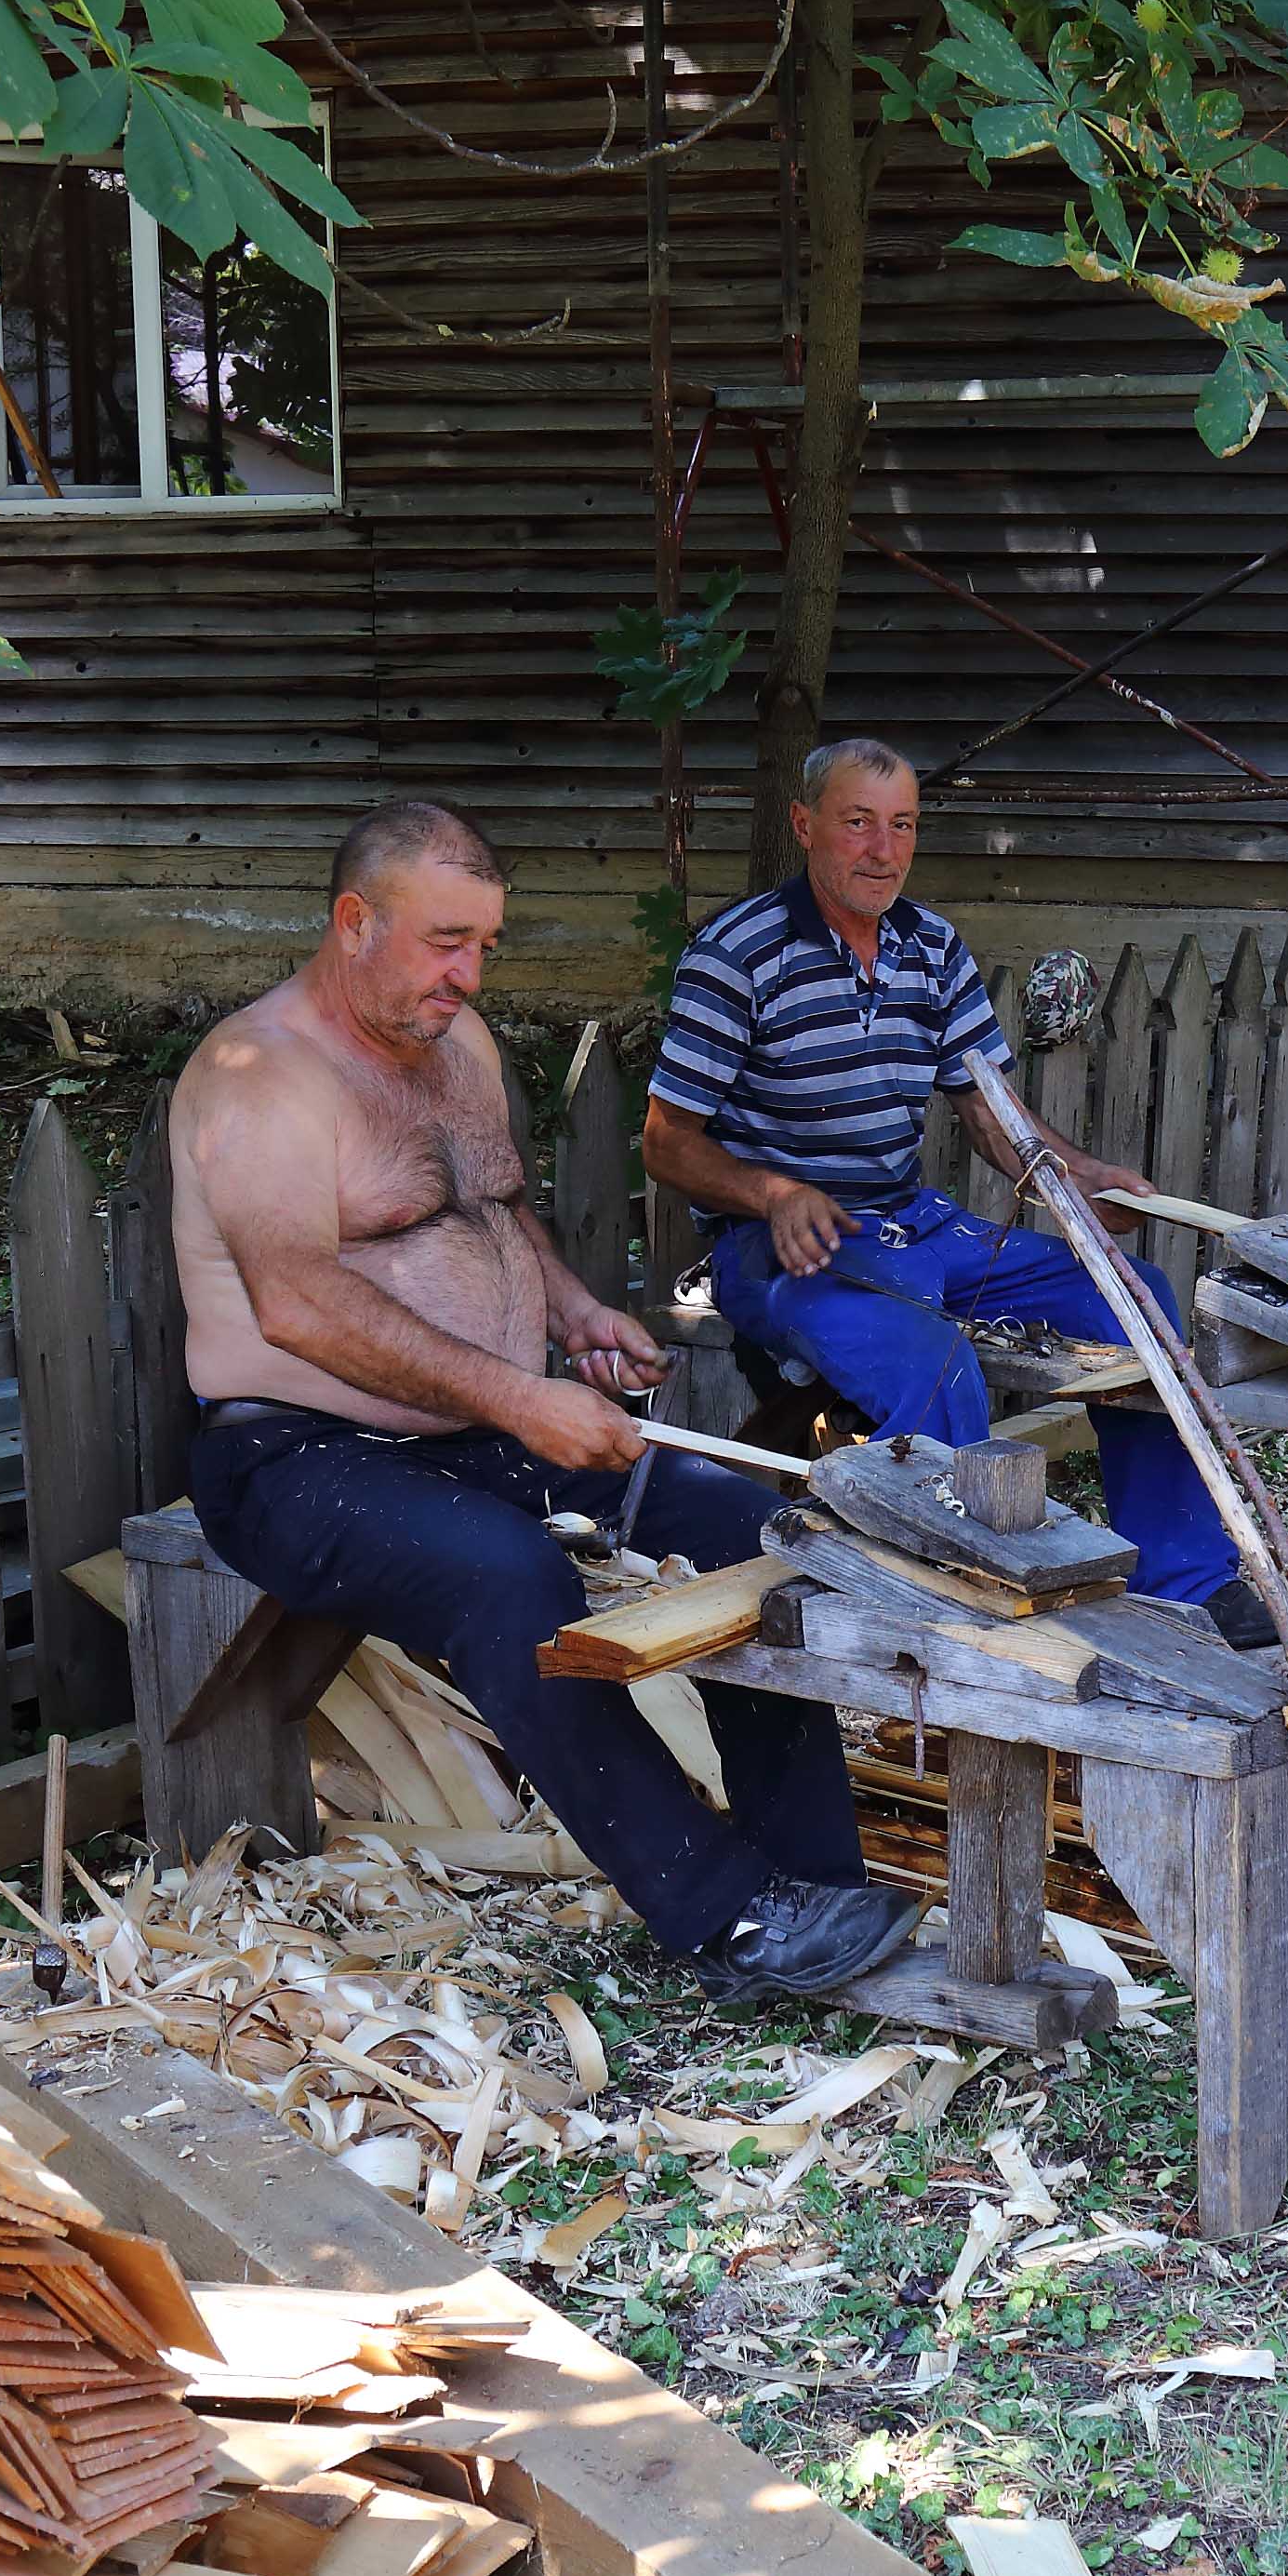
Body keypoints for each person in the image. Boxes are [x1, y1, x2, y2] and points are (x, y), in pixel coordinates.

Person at [168, 799, 920, 2001]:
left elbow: (495, 1210)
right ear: (354, 922)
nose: (467, 976)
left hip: (483, 1429)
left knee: (753, 1532)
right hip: (297, 1460)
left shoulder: (453, 1048)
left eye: (486, 946)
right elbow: (298, 1303)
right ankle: (725, 1919)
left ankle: (807, 1880)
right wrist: (523, 1395)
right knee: (511, 1579)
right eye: (443, 941)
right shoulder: (264, 1078)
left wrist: (572, 1315)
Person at [639, 740, 1267, 1646]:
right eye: (858, 823)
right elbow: (666, 1142)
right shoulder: (736, 957)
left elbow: (987, 1109)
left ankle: (1186, 1584)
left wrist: (1075, 1178)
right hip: (781, 1250)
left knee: (1138, 1300)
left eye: (901, 827)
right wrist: (773, 1193)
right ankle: (972, 1614)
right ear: (805, 824)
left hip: (914, 1227)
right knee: (932, 1366)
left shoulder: (928, 947)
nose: (881, 850)